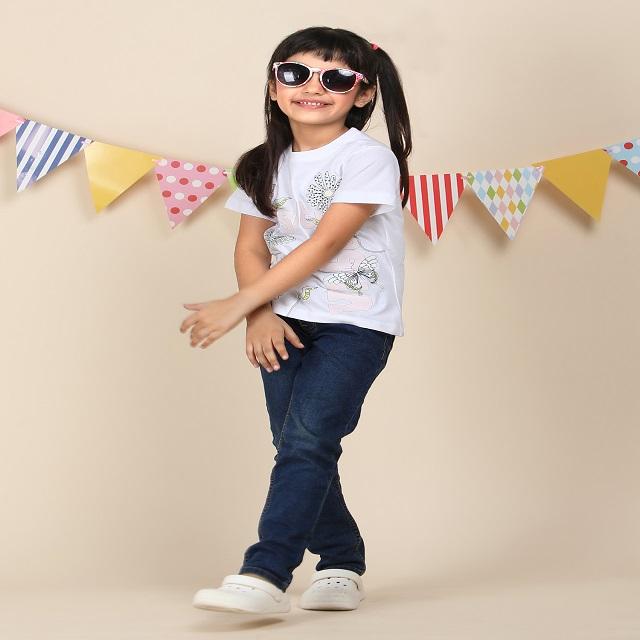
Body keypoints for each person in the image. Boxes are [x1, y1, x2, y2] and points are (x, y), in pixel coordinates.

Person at [182, 26, 412, 614]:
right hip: (282, 321)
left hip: (354, 325)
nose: (314, 87)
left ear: (363, 94)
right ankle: (342, 560)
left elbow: (325, 243)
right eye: (297, 73)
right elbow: (249, 246)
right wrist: (258, 312)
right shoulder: (262, 163)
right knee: (294, 443)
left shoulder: (368, 158)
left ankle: (265, 574)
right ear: (274, 86)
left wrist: (236, 305)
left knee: (308, 439)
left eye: (335, 78)